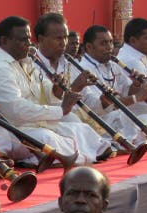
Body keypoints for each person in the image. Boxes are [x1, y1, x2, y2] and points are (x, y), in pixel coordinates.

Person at [0, 15, 84, 166]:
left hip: (33, 124)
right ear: (4, 41)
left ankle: (43, 159)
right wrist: (59, 111)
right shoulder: (0, 69)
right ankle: (37, 159)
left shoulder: (26, 62)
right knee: (47, 138)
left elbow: (43, 89)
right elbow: (15, 110)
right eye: (23, 39)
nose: (29, 43)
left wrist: (56, 90)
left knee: (77, 127)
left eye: (29, 38)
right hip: (13, 131)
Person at [32, 13, 113, 162]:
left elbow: (89, 102)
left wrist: (104, 101)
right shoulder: (31, 65)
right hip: (46, 121)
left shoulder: (70, 63)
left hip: (76, 119)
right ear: (41, 39)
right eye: (58, 38)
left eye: (65, 37)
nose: (63, 43)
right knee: (74, 123)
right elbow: (39, 104)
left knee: (79, 123)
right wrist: (74, 88)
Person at [74, 24, 147, 149]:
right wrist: (137, 97)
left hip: (117, 118)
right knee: (124, 117)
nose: (109, 48)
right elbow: (100, 106)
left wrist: (135, 84)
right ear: (89, 47)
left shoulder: (113, 64)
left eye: (111, 42)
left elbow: (126, 92)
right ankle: (126, 146)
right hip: (98, 121)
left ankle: (136, 144)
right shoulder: (83, 69)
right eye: (104, 43)